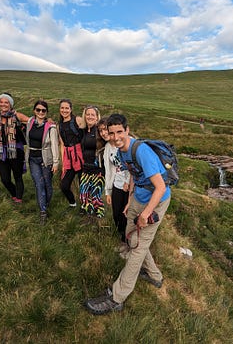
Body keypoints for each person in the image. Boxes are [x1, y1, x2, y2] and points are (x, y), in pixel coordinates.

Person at [84, 113, 171, 315]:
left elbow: (159, 187)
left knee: (138, 248)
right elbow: (133, 173)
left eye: (119, 132)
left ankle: (117, 297)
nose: (115, 137)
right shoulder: (121, 150)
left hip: (156, 201)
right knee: (133, 238)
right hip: (138, 197)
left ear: (127, 130)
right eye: (111, 133)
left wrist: (145, 213)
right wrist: (131, 201)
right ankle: (155, 276)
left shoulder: (141, 151)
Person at [25, 100, 59, 223]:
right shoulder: (30, 122)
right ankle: (43, 211)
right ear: (34, 111)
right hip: (33, 159)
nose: (40, 112)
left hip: (46, 159)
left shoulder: (51, 127)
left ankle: (45, 203)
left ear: (46, 112)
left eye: (43, 110)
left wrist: (55, 163)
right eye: (38, 110)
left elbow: (54, 146)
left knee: (47, 185)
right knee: (39, 185)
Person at [99, 118, 130, 249]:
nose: (104, 133)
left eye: (106, 130)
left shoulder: (124, 143)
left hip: (129, 186)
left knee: (127, 214)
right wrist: (108, 191)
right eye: (101, 131)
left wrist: (128, 181)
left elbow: (132, 164)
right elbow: (109, 169)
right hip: (116, 184)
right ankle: (122, 236)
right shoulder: (107, 148)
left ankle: (127, 240)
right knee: (116, 214)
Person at [0, 93, 29, 204]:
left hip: (15, 151)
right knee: (5, 179)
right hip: (1, 151)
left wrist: (48, 122)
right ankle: (15, 193)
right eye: (2, 102)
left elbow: (32, 121)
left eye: (6, 102)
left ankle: (18, 198)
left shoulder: (16, 115)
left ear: (10, 104)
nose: (3, 104)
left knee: (17, 176)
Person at [79, 105, 106, 219]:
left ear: (97, 117)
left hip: (97, 168)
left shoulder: (99, 131)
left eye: (92, 115)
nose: (90, 116)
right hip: (85, 167)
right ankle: (88, 212)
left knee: (96, 195)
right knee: (83, 193)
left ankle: (99, 215)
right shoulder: (83, 131)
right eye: (88, 114)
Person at [58, 99, 84, 208]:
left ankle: (85, 206)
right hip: (69, 157)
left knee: (83, 183)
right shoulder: (59, 125)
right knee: (64, 185)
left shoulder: (77, 120)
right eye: (62, 108)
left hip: (81, 155)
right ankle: (72, 203)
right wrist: (64, 164)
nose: (64, 110)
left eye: (66, 108)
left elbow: (88, 131)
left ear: (71, 109)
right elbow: (62, 144)